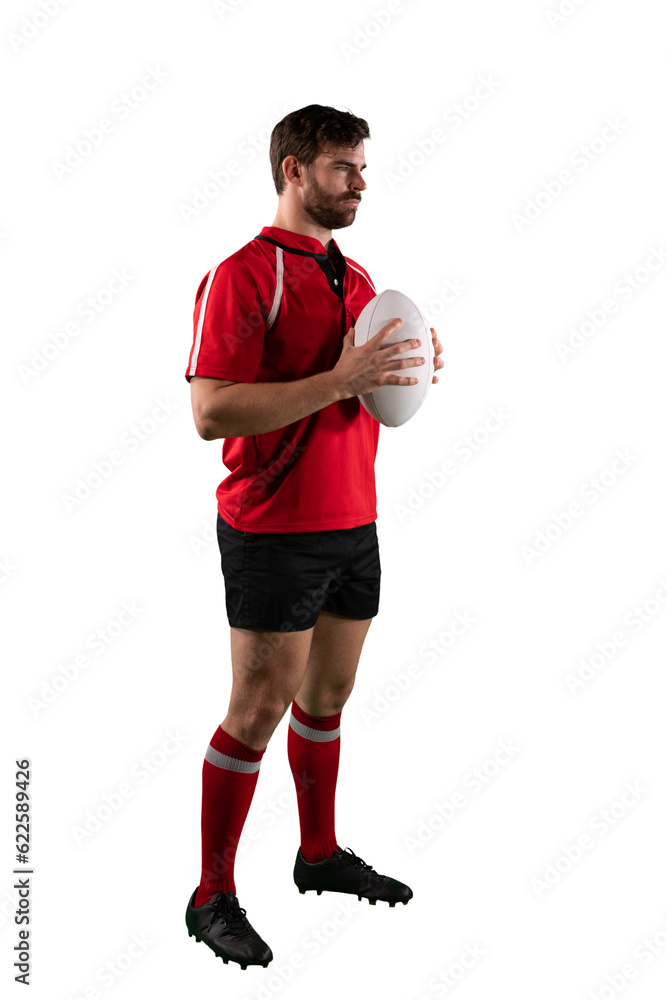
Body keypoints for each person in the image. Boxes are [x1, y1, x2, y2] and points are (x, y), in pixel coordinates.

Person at [184, 104, 444, 970]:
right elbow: (211, 412)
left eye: (362, 167)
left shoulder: (358, 277)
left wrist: (408, 367)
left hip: (352, 521)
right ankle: (210, 894)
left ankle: (318, 855)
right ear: (294, 170)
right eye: (342, 167)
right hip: (273, 529)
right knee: (257, 711)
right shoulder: (242, 275)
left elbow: (366, 386)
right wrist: (340, 378)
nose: (360, 182)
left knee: (327, 699)